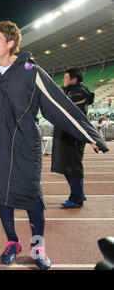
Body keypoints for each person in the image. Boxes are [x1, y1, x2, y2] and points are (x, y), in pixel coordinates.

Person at [0, 21, 108, 269]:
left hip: (25, 145)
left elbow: (59, 106)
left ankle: (37, 245)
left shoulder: (31, 70)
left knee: (32, 197)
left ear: (11, 43)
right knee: (2, 197)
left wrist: (90, 135)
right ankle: (13, 241)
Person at [51, 67, 94, 208]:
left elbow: (60, 106)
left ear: (74, 80)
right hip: (68, 135)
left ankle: (76, 198)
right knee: (68, 166)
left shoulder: (79, 92)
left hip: (73, 136)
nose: (63, 80)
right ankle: (79, 192)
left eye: (65, 77)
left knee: (73, 167)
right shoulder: (72, 91)